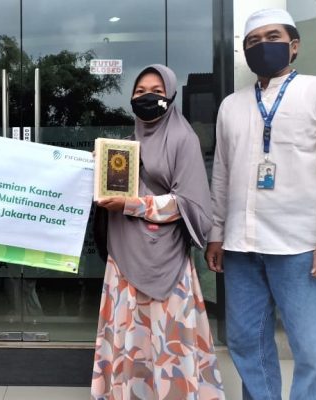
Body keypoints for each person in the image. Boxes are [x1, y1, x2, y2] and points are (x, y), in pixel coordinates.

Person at [205, 9, 316, 400]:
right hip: (242, 247)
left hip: (301, 246)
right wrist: (217, 233)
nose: (262, 46)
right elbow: (222, 174)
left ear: (294, 46)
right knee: (245, 341)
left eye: (272, 37)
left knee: (309, 348)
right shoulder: (231, 105)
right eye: (252, 41)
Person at [91, 64, 225, 399]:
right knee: (130, 339)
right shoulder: (124, 146)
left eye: (156, 92)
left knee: (168, 342)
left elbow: (188, 204)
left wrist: (133, 205)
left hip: (166, 262)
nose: (147, 97)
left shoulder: (183, 139)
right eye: (139, 92)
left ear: (171, 96)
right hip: (125, 256)